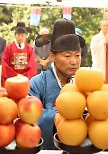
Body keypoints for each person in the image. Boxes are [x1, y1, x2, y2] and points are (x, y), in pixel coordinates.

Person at [29, 18, 84, 150]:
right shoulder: (37, 83)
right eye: (67, 56)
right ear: (52, 56)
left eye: (77, 55)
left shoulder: (86, 83)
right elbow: (29, 115)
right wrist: (55, 117)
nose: (74, 62)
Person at [1, 21, 37, 87]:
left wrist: (23, 77)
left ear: (25, 36)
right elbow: (5, 65)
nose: (20, 38)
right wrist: (16, 76)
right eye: (18, 35)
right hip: (11, 79)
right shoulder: (8, 48)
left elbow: (32, 66)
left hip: (25, 80)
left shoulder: (29, 49)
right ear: (15, 35)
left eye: (22, 35)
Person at [90, 20, 108, 86]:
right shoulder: (96, 38)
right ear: (101, 26)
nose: (105, 27)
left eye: (107, 25)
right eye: (104, 25)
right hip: (100, 63)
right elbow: (94, 49)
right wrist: (103, 43)